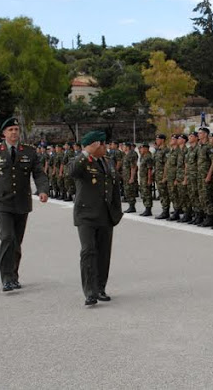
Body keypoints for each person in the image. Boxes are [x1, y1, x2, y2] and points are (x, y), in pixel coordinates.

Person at [0, 117, 49, 292]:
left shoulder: (29, 152)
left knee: (17, 241)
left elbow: (39, 174)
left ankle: (14, 275)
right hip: (2, 201)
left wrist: (43, 190)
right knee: (7, 237)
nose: (14, 132)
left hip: (22, 201)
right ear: (4, 133)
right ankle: (6, 278)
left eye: (16, 129)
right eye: (10, 129)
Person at [69, 130, 123, 306]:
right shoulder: (81, 161)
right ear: (95, 145)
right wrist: (86, 152)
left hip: (105, 214)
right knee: (88, 251)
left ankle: (100, 287)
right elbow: (72, 171)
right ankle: (90, 291)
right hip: (86, 215)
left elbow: (114, 187)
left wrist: (116, 210)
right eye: (102, 144)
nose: (106, 147)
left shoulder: (108, 162)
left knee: (103, 253)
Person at [138, 143, 154, 216]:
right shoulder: (143, 156)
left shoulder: (148, 157)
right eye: (141, 148)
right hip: (142, 178)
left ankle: (148, 209)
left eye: (142, 148)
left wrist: (149, 179)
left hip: (146, 178)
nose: (141, 149)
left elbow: (149, 169)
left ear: (146, 149)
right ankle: (146, 208)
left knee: (147, 193)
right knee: (144, 193)